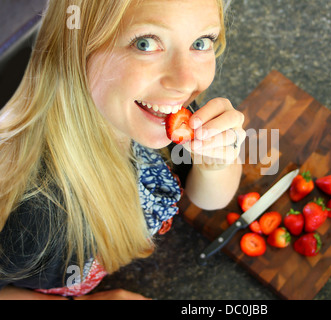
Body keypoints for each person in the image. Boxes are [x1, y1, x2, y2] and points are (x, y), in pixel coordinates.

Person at [0, 0, 244, 300]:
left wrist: (215, 164)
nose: (185, 81)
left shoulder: (155, 110)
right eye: (145, 43)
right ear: (74, 46)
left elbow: (209, 199)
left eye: (200, 42)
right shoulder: (29, 205)